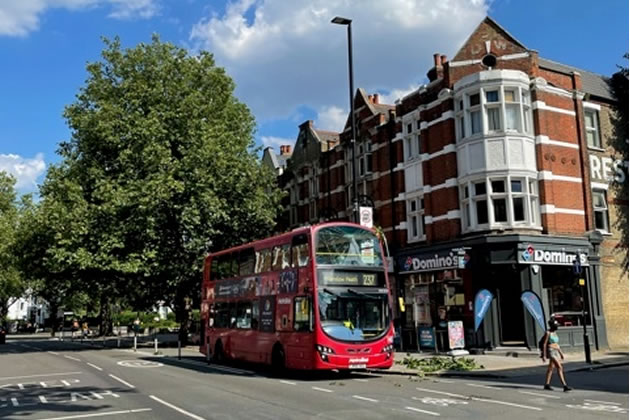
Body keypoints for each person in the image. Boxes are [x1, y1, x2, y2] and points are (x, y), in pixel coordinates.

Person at [542, 318, 572, 391]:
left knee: (551, 368)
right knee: (559, 367)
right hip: (551, 351)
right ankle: (564, 385)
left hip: (556, 351)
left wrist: (561, 353)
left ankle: (547, 384)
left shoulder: (555, 333)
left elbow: (557, 345)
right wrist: (544, 355)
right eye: (555, 325)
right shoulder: (548, 333)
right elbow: (544, 344)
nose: (557, 327)